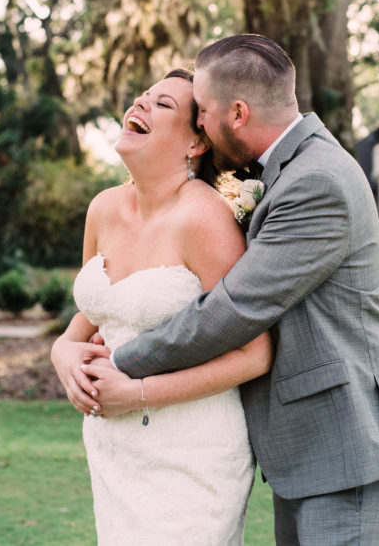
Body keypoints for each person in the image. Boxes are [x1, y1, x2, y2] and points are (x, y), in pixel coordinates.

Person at [57, 34, 379, 544]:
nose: (199, 122)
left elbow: (231, 311)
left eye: (200, 111)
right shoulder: (283, 172)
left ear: (238, 114)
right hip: (304, 453)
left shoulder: (317, 180)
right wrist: (67, 352)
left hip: (347, 450)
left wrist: (118, 369)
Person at [50, 69, 273, 545]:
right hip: (113, 445)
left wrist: (140, 393)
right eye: (143, 97)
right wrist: (63, 352)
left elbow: (255, 354)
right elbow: (98, 313)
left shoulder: (204, 218)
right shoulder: (103, 208)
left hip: (191, 450)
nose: (141, 104)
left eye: (164, 104)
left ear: (197, 143)